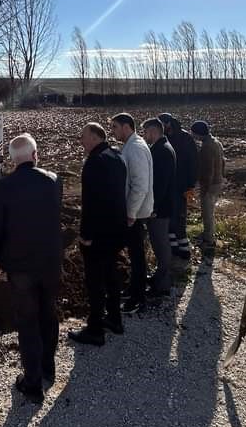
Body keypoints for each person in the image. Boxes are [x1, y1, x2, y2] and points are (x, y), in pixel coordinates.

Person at [0, 134, 64, 404]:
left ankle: (32, 382)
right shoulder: (53, 182)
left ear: (13, 161)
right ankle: (47, 369)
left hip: (20, 268)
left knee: (28, 321)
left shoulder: (4, 187)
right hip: (50, 263)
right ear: (35, 155)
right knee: (48, 316)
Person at [69, 122, 128, 346]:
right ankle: (114, 318)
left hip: (99, 234)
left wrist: (86, 234)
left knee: (94, 281)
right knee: (111, 273)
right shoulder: (116, 156)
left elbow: (92, 203)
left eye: (83, 136)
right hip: (116, 230)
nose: (81, 140)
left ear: (94, 137)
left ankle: (94, 329)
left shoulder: (94, 162)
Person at [110, 113, 154, 313]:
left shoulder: (135, 148)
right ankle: (134, 289)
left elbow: (140, 185)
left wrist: (131, 212)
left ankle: (138, 298)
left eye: (115, 127)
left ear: (126, 127)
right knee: (135, 253)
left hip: (135, 213)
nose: (113, 131)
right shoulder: (132, 145)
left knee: (137, 255)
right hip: (135, 211)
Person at [141, 118, 176, 297]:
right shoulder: (163, 147)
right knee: (159, 243)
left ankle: (162, 284)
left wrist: (153, 207)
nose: (145, 136)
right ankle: (160, 278)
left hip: (160, 209)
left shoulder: (162, 151)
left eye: (146, 132)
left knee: (160, 244)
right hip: (161, 206)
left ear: (153, 131)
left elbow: (160, 184)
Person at [158, 113, 198, 259]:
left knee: (179, 216)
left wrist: (190, 185)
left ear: (168, 123)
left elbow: (193, 163)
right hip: (171, 184)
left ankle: (184, 249)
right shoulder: (167, 138)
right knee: (170, 216)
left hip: (181, 185)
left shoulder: (184, 138)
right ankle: (174, 247)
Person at [190, 120, 225, 257]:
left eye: (194, 133)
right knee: (210, 211)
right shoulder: (216, 142)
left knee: (207, 212)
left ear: (198, 134)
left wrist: (204, 188)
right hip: (218, 181)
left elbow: (208, 170)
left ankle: (209, 239)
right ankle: (207, 234)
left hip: (210, 184)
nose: (193, 136)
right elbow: (223, 161)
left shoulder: (206, 147)